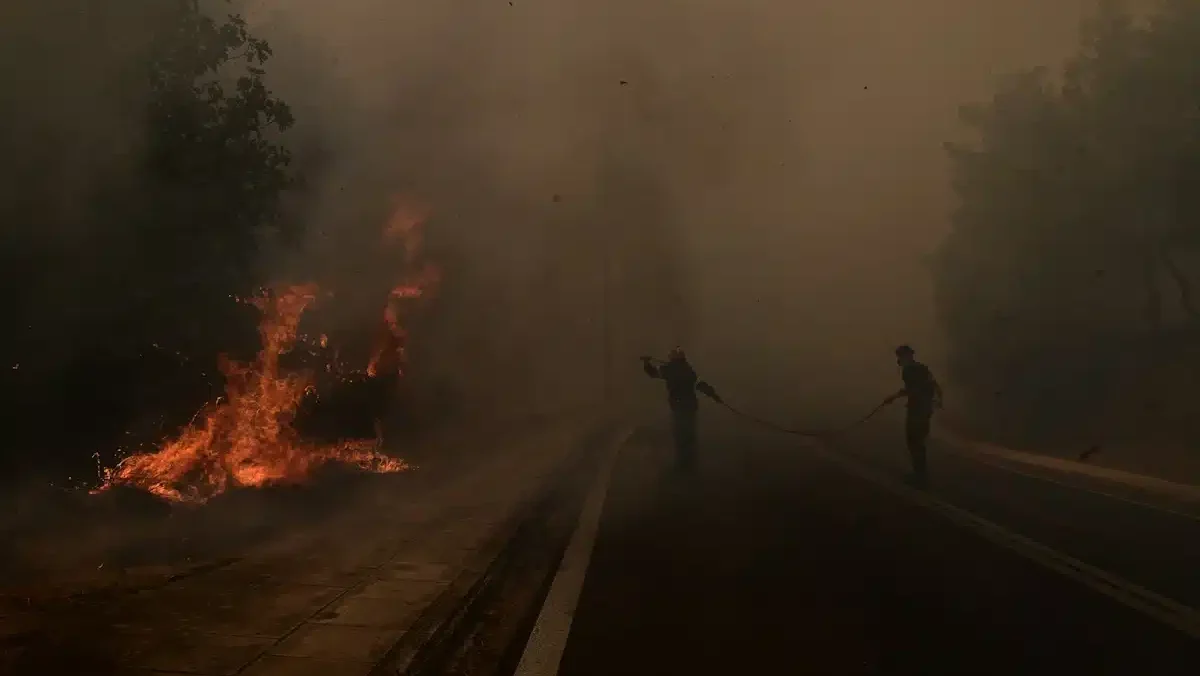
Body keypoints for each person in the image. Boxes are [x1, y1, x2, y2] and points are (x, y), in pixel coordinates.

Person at [642, 347, 718, 472]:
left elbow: (652, 373)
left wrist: (646, 363)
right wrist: (713, 395)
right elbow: (700, 384)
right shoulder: (687, 370)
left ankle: (682, 464)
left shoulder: (668, 370)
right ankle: (690, 463)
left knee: (680, 434)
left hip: (678, 406)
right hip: (690, 406)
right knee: (689, 434)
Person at [882, 344, 943, 486]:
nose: (899, 360)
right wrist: (939, 400)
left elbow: (912, 390)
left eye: (900, 356)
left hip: (917, 409)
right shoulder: (922, 368)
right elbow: (934, 385)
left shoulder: (909, 370)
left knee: (914, 441)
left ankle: (920, 476)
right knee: (918, 441)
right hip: (925, 409)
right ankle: (921, 474)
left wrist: (894, 397)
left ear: (905, 356)